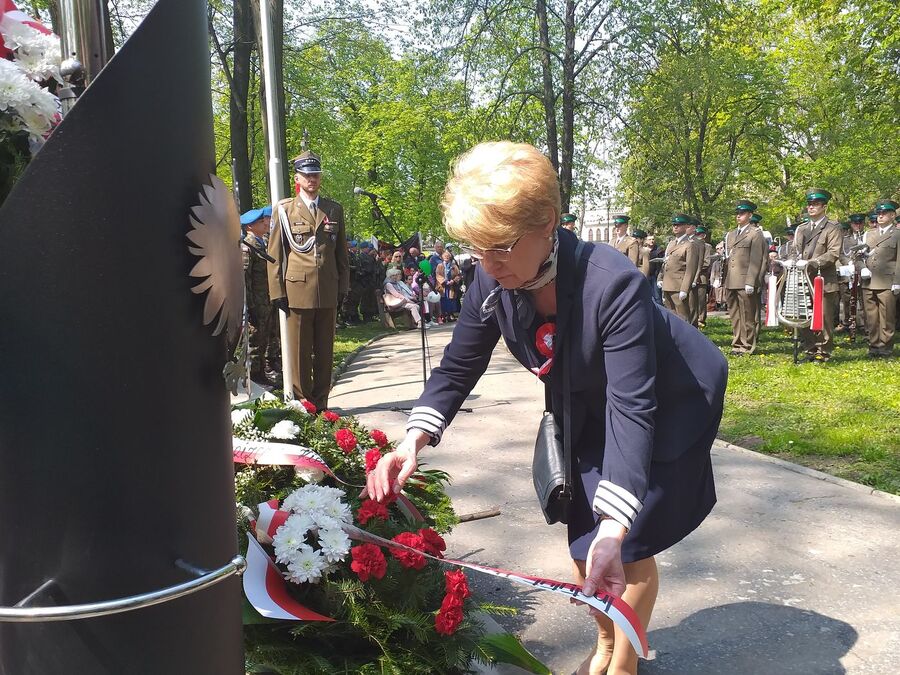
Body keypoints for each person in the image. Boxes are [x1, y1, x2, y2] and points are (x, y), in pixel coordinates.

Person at [365, 142, 727, 675]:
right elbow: (458, 365)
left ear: (548, 223)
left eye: (503, 246)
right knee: (584, 537)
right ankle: (606, 643)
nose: (488, 264)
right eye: (477, 248)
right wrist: (410, 441)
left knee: (627, 542)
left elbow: (633, 407)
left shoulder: (614, 285)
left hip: (668, 401)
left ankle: (624, 663)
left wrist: (615, 527)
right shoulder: (492, 277)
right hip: (585, 399)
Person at [268, 150, 349, 409]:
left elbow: (341, 253)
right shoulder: (285, 209)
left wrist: (344, 285)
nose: (312, 179)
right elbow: (276, 252)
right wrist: (276, 290)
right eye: (307, 175)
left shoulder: (333, 209)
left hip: (328, 288)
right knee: (300, 353)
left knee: (325, 352)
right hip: (297, 289)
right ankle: (305, 405)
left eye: (315, 175)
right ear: (298, 178)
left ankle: (322, 404)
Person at [790, 188, 842, 362]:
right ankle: (810, 349)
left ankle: (823, 350)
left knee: (824, 317)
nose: (811, 207)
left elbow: (833, 253)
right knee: (805, 314)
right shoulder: (802, 229)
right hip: (803, 279)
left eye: (816, 204)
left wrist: (813, 262)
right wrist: (791, 261)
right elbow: (795, 250)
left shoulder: (832, 227)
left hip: (823, 280)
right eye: (809, 204)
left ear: (824, 206)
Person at [723, 199, 766, 355]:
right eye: (738, 213)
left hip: (745, 280)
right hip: (731, 280)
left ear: (750, 215)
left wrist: (751, 281)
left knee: (747, 315)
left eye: (742, 213)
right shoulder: (732, 234)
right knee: (735, 315)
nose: (739, 216)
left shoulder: (755, 234)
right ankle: (737, 343)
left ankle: (747, 345)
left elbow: (757, 259)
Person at [859, 199, 900, 357]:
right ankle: (874, 346)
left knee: (887, 316)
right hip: (868, 281)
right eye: (879, 213)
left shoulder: (897, 234)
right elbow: (858, 256)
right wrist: (862, 268)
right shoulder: (868, 234)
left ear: (892, 215)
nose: (880, 216)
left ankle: (885, 347)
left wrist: (897, 282)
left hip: (886, 281)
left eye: (884, 213)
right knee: (871, 317)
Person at [241, 205, 276, 388]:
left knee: (263, 339)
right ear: (249, 227)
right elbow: (245, 279)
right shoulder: (248, 246)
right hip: (257, 302)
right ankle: (253, 377)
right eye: (259, 222)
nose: (264, 223)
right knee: (255, 340)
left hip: (267, 300)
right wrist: (251, 306)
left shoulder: (263, 244)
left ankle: (261, 372)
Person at [658, 213, 700, 323]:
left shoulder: (689, 245)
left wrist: (685, 289)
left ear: (686, 226)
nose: (675, 227)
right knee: (670, 317)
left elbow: (691, 269)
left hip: (679, 286)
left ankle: (686, 340)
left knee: (683, 318)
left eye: (679, 224)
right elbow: (665, 263)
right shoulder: (671, 243)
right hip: (668, 284)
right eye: (674, 225)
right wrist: (660, 278)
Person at [694, 225, 713, 328]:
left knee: (701, 301)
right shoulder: (693, 245)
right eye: (696, 234)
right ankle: (694, 319)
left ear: (704, 235)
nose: (697, 236)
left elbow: (706, 262)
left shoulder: (707, 247)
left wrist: (694, 268)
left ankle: (701, 320)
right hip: (691, 277)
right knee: (693, 300)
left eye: (699, 234)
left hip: (701, 278)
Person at [435, 249, 462, 320]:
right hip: (443, 286)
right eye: (445, 257)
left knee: (451, 300)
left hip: (451, 286)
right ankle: (444, 315)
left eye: (447, 257)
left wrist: (453, 281)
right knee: (443, 300)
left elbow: (458, 275)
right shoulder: (439, 266)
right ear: (442, 257)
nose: (446, 258)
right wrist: (444, 281)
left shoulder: (454, 266)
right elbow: (438, 275)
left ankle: (451, 314)